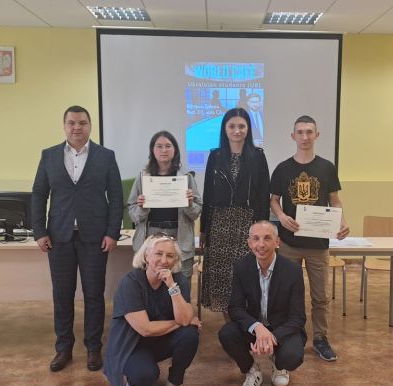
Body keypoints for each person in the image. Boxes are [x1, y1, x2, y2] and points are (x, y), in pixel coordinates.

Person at [32, 105, 124, 372]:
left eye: (82, 122)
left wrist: (112, 232)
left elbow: (116, 197)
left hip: (95, 237)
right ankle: (63, 348)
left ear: (90, 126)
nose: (77, 127)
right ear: (64, 126)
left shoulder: (106, 156)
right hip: (58, 237)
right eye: (71, 123)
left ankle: (94, 348)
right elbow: (39, 194)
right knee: (62, 295)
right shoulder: (49, 156)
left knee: (94, 295)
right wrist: (39, 231)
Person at [270, 115, 350, 362]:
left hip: (318, 244)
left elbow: (334, 200)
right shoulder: (283, 168)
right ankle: (287, 335)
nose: (305, 137)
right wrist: (281, 216)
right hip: (289, 243)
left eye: (309, 132)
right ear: (292, 136)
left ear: (317, 135)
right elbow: (273, 200)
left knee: (320, 296)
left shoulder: (327, 167)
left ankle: (320, 339)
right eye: (300, 132)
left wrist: (342, 222)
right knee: (286, 294)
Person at [103, 234, 201, 386]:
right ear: (146, 256)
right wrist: (179, 322)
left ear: (175, 260)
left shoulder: (177, 280)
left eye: (169, 256)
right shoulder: (130, 283)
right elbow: (145, 329)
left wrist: (171, 286)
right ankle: (136, 375)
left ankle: (175, 383)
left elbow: (186, 319)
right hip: (132, 344)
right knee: (144, 376)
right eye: (158, 253)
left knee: (190, 334)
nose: (164, 260)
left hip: (159, 340)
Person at [218, 221, 306, 386]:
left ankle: (279, 365)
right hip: (254, 326)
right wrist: (257, 328)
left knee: (292, 357)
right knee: (227, 333)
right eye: (256, 239)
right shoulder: (241, 267)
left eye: (267, 238)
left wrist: (271, 338)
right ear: (249, 243)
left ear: (277, 242)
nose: (261, 244)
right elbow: (235, 307)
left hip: (281, 328)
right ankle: (251, 371)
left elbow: (297, 318)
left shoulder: (293, 271)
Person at [200, 107, 270, 316]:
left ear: (248, 129)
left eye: (241, 126)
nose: (236, 131)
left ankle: (245, 321)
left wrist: (263, 229)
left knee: (244, 275)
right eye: (232, 126)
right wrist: (203, 230)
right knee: (222, 278)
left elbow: (263, 194)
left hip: (247, 224)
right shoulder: (215, 156)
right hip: (219, 225)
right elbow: (208, 194)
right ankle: (229, 323)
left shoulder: (257, 156)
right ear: (225, 129)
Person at [128, 130, 202, 281]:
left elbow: (196, 212)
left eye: (168, 146)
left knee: (181, 284)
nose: (164, 150)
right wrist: (142, 207)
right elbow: (133, 213)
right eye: (159, 146)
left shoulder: (186, 177)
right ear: (152, 150)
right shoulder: (143, 177)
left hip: (179, 237)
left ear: (175, 150)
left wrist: (189, 204)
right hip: (150, 236)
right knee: (149, 284)